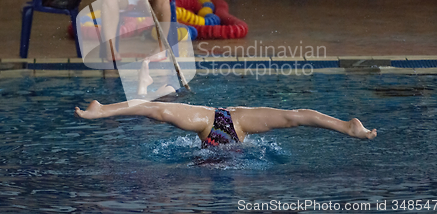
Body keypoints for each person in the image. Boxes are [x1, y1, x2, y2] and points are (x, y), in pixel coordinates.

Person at [75, 60, 377, 148]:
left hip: (213, 127)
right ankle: (103, 108)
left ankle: (348, 127)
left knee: (157, 111)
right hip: (234, 124)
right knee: (293, 117)